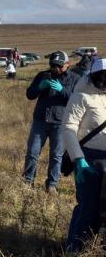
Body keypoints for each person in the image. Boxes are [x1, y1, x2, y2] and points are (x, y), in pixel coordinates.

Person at [61, 58, 106, 252]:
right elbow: (68, 129)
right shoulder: (81, 97)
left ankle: (95, 250)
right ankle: (74, 250)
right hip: (88, 159)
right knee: (88, 207)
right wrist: (78, 160)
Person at [23, 51, 81, 194]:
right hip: (40, 120)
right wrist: (39, 87)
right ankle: (27, 181)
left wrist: (62, 90)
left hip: (61, 123)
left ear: (68, 64)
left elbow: (76, 100)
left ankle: (52, 185)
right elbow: (30, 94)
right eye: (53, 65)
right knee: (32, 152)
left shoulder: (75, 78)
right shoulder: (42, 75)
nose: (55, 69)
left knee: (56, 155)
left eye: (59, 66)